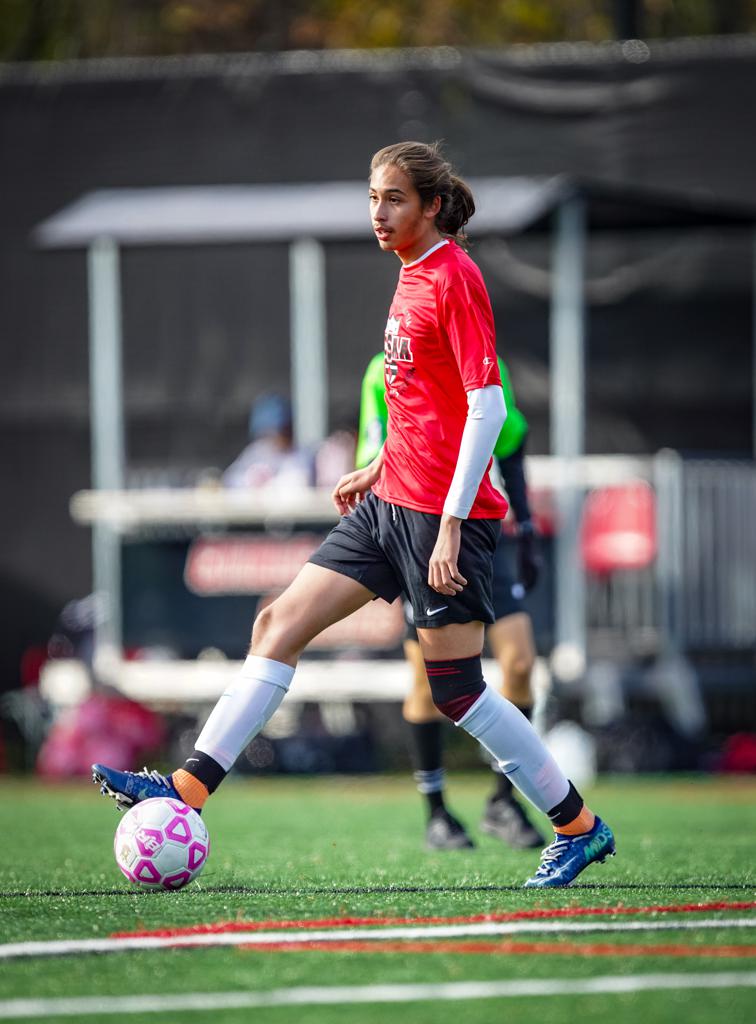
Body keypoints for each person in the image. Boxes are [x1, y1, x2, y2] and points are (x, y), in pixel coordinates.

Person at [92, 140, 615, 887]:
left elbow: (487, 406)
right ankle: (185, 789)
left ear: (432, 206)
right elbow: (421, 404)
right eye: (372, 197)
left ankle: (579, 827)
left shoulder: (455, 277)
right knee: (276, 625)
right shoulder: (409, 275)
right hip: (387, 504)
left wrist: (451, 524)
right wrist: (378, 464)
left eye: (394, 198)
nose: (378, 211)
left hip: (446, 521)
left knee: (459, 692)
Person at [356, 351, 545, 851]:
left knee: (521, 662)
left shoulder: (485, 364)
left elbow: (510, 442)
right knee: (427, 681)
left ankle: (504, 799)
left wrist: (525, 526)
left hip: (481, 533)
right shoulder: (386, 369)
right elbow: (374, 456)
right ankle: (436, 813)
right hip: (419, 532)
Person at [223, 394, 313, 492]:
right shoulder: (257, 450)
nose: (272, 439)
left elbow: (298, 484)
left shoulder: (300, 455)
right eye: (267, 433)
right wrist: (249, 480)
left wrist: (269, 485)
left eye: (277, 432)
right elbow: (230, 479)